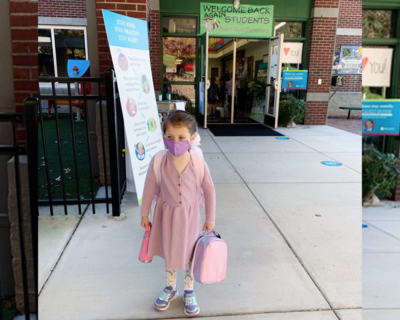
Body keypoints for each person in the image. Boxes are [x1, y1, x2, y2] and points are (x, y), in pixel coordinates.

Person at [140, 110, 216, 317]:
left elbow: (209, 189)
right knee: (170, 251)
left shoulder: (198, 161)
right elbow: (149, 186)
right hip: (166, 216)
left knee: (191, 253)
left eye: (181, 137)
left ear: (192, 138)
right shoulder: (158, 160)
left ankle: (189, 290)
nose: (175, 142)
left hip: (191, 218)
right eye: (170, 137)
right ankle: (171, 288)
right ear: (164, 137)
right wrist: (144, 213)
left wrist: (210, 219)